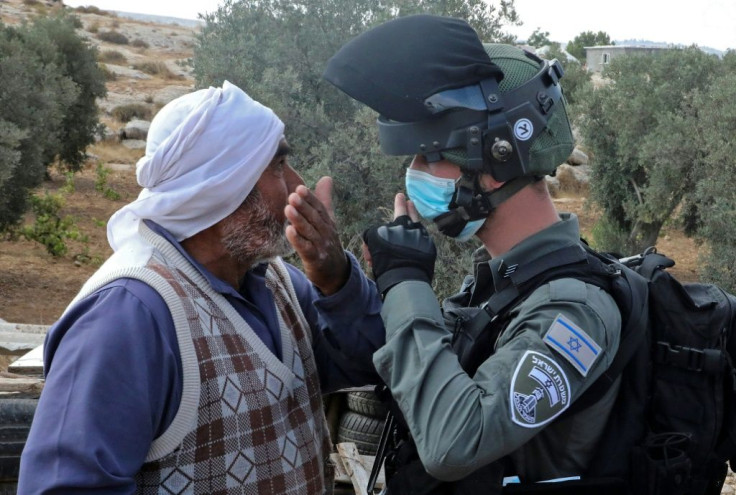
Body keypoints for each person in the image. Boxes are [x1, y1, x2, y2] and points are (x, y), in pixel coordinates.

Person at [18, 81, 385, 494]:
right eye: (279, 166)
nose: (297, 184)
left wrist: (335, 279)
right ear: (223, 183)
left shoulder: (278, 281)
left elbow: (368, 365)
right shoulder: (127, 316)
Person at [323, 15, 624, 494]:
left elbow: (452, 442)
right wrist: (339, 283)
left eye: (430, 154)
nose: (414, 171)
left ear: (499, 158)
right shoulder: (499, 286)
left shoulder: (574, 311)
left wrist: (406, 283)